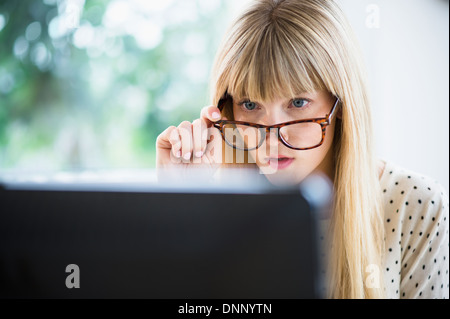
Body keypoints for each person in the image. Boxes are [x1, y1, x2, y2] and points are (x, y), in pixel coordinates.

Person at [155, 0, 449, 299]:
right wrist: (179, 203)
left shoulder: (415, 205)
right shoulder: (215, 209)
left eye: (297, 103)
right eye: (250, 105)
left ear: (342, 105)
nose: (272, 139)